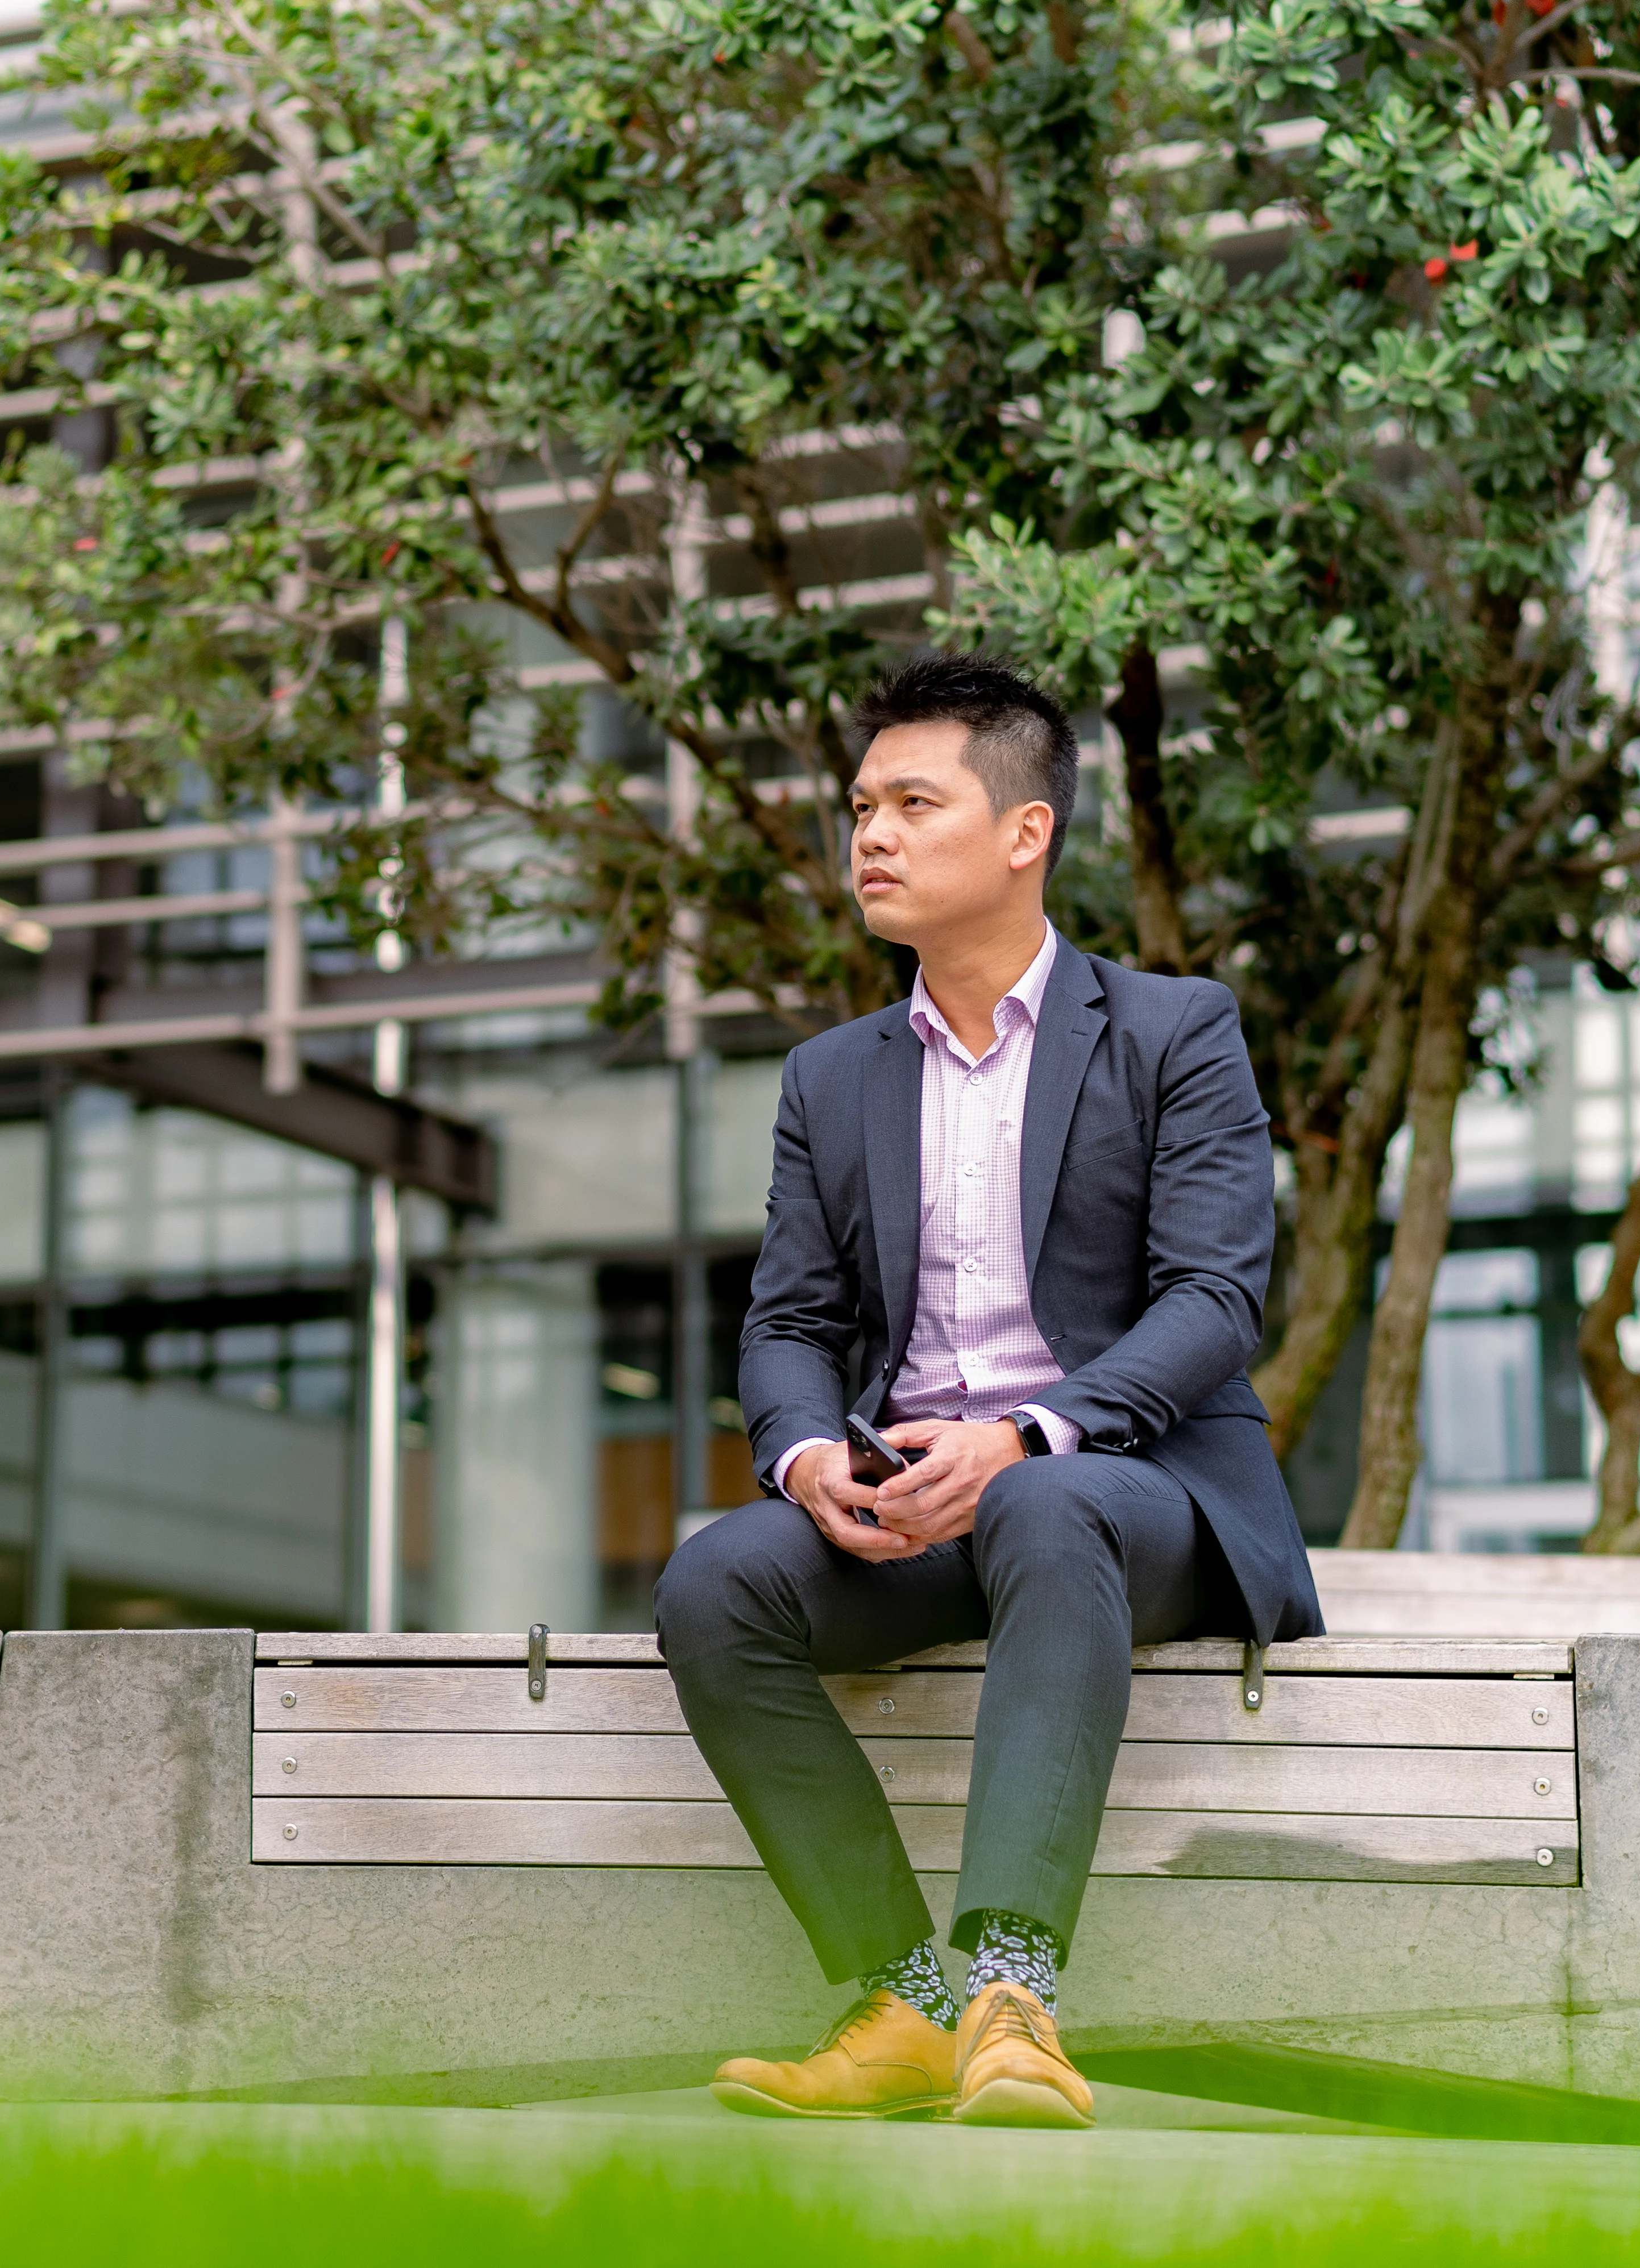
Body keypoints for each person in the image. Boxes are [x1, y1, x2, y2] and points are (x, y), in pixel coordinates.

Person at [655, 650, 1322, 2128]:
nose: (868, 836)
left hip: (1130, 1495)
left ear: (1024, 831)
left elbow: (1217, 1298)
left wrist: (1024, 1434)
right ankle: (907, 2000)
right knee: (715, 1590)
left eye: (911, 800)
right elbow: (790, 1319)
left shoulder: (1172, 1032)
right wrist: (806, 1453)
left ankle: (1017, 1995)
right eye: (857, 806)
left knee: (1044, 1504)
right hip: (915, 1503)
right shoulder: (834, 1079)